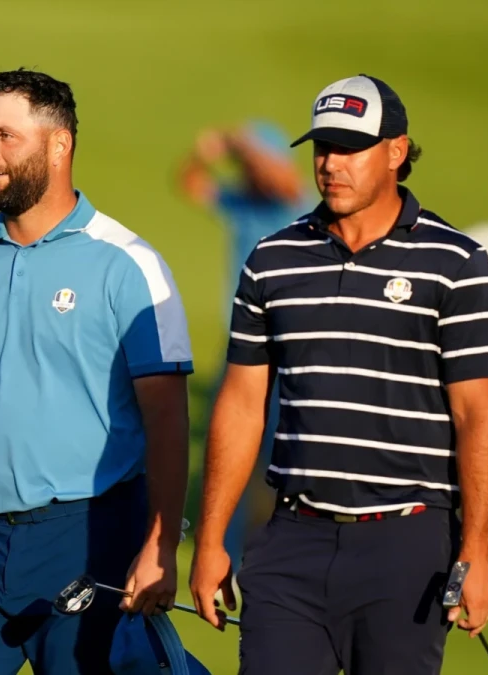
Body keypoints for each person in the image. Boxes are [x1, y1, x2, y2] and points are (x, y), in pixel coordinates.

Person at [189, 74, 488, 675]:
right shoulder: (273, 259)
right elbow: (239, 405)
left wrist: (477, 551)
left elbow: (478, 416)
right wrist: (211, 540)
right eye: (322, 147)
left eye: (349, 148)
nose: (331, 163)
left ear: (396, 152)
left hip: (408, 549)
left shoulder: (457, 264)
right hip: (292, 539)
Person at [0, 68, 194, 675]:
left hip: (91, 536)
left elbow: (167, 417)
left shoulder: (129, 265)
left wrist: (160, 545)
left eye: (6, 136)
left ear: (59, 145)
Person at [176, 121, 310, 566]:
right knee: (227, 453)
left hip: (288, 352)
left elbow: (280, 179)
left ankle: (275, 554)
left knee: (278, 458)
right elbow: (190, 183)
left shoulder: (295, 202)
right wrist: (207, 152)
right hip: (241, 347)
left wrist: (236, 143)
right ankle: (225, 553)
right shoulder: (244, 202)